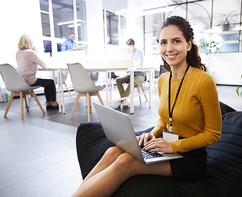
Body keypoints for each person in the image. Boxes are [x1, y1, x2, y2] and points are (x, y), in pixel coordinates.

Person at [72, 16, 222, 197]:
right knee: (113, 151)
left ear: (188, 44)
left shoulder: (204, 81)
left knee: (124, 162)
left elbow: (214, 134)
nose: (169, 48)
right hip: (165, 144)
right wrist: (154, 132)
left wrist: (174, 146)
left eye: (176, 41)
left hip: (189, 157)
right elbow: (165, 117)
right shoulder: (163, 80)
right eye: (163, 42)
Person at [16, 33, 58, 110]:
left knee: (47, 83)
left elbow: (27, 64)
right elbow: (44, 65)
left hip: (22, 81)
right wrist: (36, 53)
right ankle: (54, 103)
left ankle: (49, 103)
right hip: (30, 81)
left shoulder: (18, 52)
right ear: (29, 42)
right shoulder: (30, 52)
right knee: (51, 82)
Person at [111, 38, 146, 109]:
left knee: (132, 81)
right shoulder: (127, 53)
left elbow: (139, 65)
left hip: (140, 75)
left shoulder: (139, 52)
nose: (129, 49)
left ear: (134, 45)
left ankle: (120, 101)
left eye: (130, 47)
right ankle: (125, 101)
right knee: (118, 80)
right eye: (128, 47)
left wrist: (132, 64)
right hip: (131, 74)